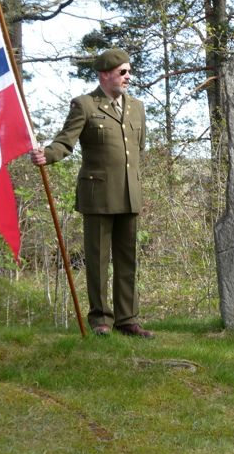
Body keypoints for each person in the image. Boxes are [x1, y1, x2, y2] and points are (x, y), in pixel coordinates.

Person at [31, 48, 154, 338]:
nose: (128, 77)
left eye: (129, 71)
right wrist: (47, 155)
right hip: (98, 195)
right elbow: (65, 143)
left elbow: (138, 148)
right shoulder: (84, 105)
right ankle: (100, 319)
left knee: (127, 261)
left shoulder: (136, 106)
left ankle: (127, 319)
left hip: (129, 194)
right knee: (98, 261)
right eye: (122, 72)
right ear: (105, 75)